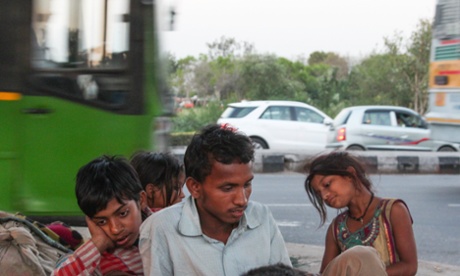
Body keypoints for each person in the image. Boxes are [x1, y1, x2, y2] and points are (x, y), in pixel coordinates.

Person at [139, 123, 292, 275]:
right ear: (195, 187)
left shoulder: (261, 217)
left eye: (247, 184)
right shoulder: (161, 228)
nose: (242, 200)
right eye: (228, 188)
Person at [304, 151, 417, 276]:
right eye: (319, 193)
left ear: (350, 175)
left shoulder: (393, 211)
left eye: (327, 185)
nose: (325, 196)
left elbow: (409, 266)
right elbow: (327, 273)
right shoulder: (336, 228)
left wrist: (365, 272)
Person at [53, 155, 152, 276]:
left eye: (122, 213)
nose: (115, 229)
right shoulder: (99, 260)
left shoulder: (165, 227)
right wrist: (98, 243)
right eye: (102, 222)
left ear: (141, 200)